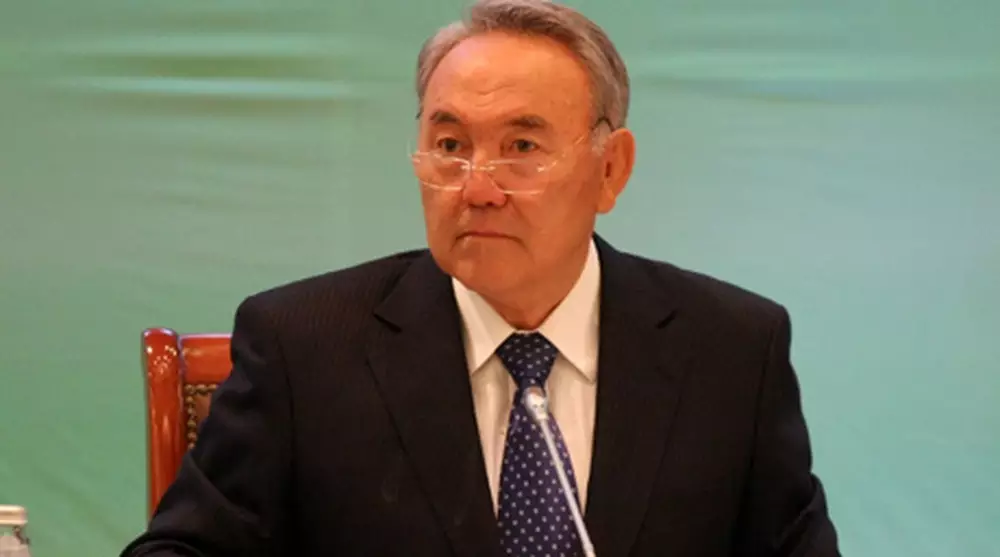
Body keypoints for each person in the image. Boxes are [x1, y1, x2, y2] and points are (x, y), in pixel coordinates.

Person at [121, 0, 840, 555]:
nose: (477, 187)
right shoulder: (305, 347)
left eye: (521, 146)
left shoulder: (731, 351)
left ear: (611, 169)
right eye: (449, 145)